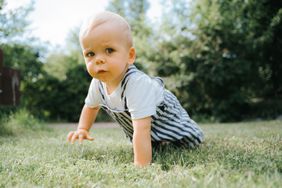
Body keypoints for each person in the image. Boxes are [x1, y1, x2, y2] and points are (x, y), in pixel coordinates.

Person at [67, 11, 204, 167]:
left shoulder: (136, 84)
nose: (98, 59)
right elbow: (90, 107)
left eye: (109, 50)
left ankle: (184, 137)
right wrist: (83, 128)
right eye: (90, 53)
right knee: (157, 145)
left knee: (186, 142)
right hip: (145, 126)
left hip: (166, 114)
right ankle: (158, 143)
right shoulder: (97, 83)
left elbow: (142, 129)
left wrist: (141, 164)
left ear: (130, 56)